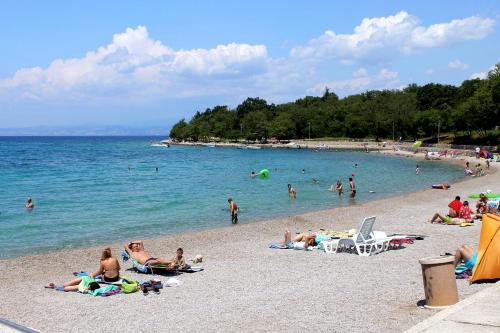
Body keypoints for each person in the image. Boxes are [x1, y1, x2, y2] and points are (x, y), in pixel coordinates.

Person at [45, 247, 121, 291]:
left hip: (107, 280)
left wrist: (92, 275)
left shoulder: (103, 261)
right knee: (84, 280)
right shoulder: (115, 259)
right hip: (116, 278)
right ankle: (59, 286)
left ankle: (61, 285)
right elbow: (119, 268)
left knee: (83, 278)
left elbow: (100, 271)